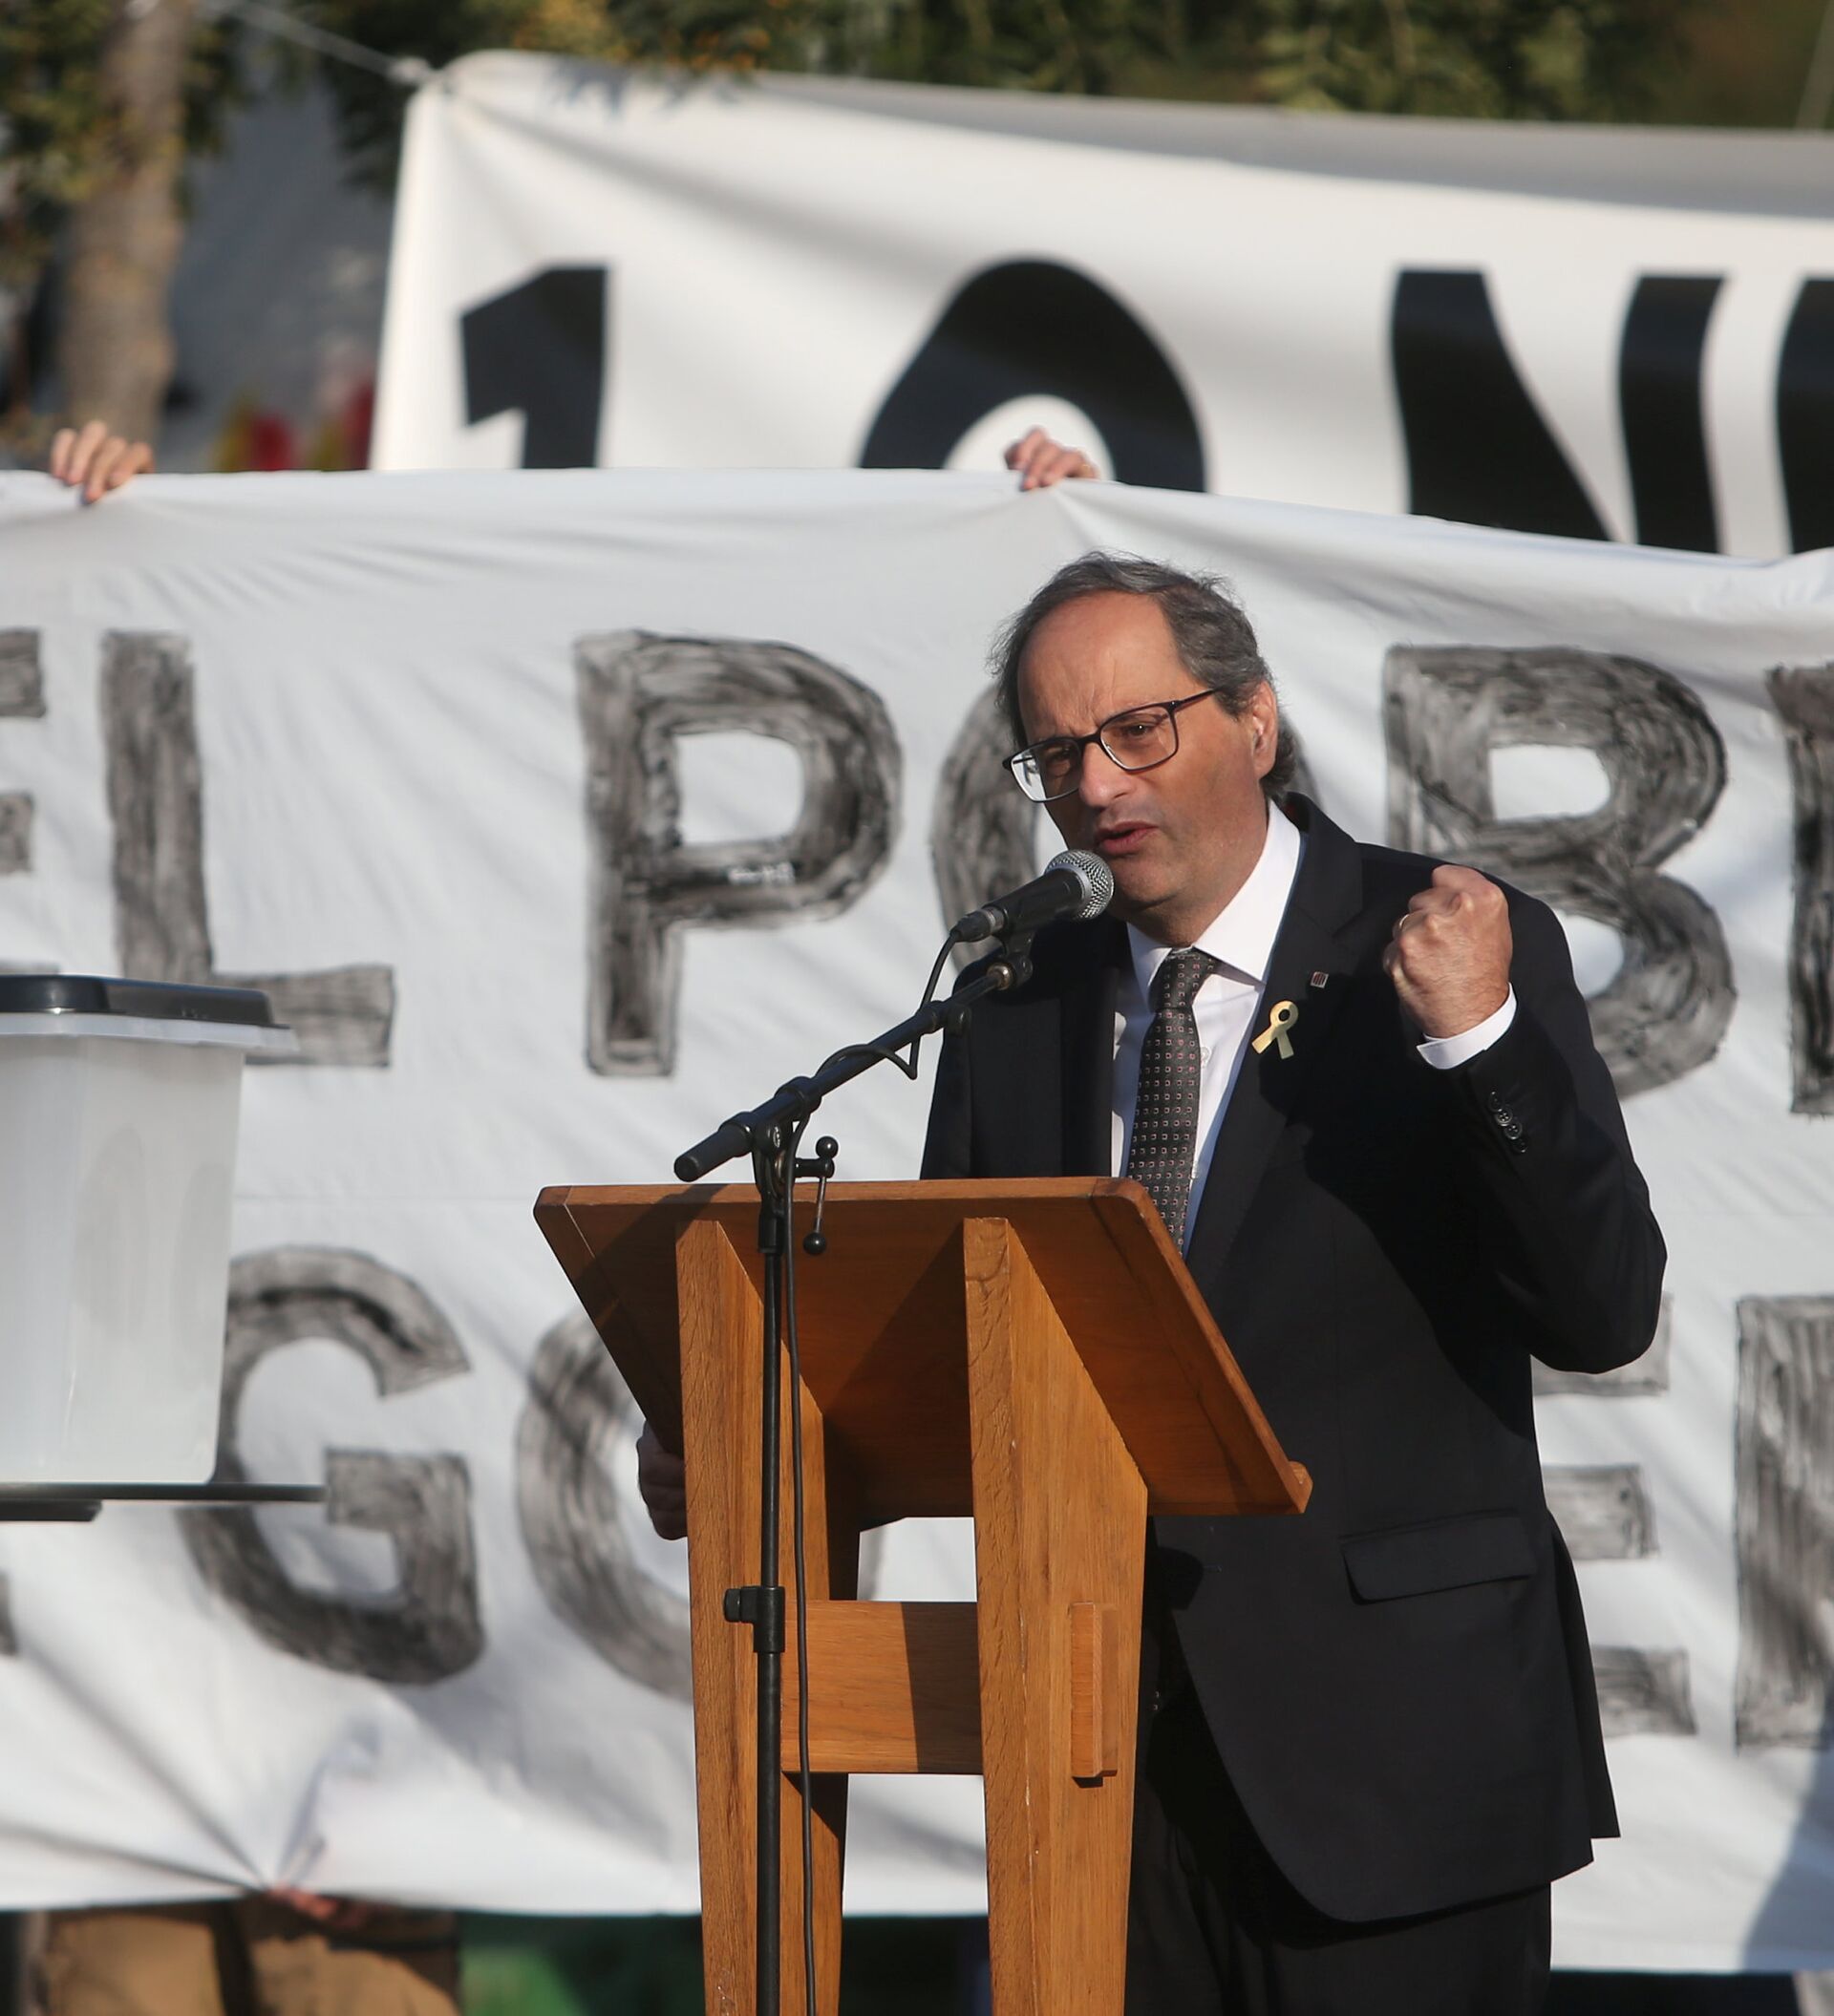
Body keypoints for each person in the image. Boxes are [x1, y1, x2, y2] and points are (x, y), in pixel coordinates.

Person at [639, 554, 1664, 2015]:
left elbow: (1601, 1309)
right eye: (1058, 753)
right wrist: (763, 1442)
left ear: (1254, 718)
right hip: (1094, 1768)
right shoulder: (1016, 997)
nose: (1099, 785)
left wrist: (1476, 1043)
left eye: (1138, 730)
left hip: (1398, 1766)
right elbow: (954, 1360)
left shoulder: (1439, 941)